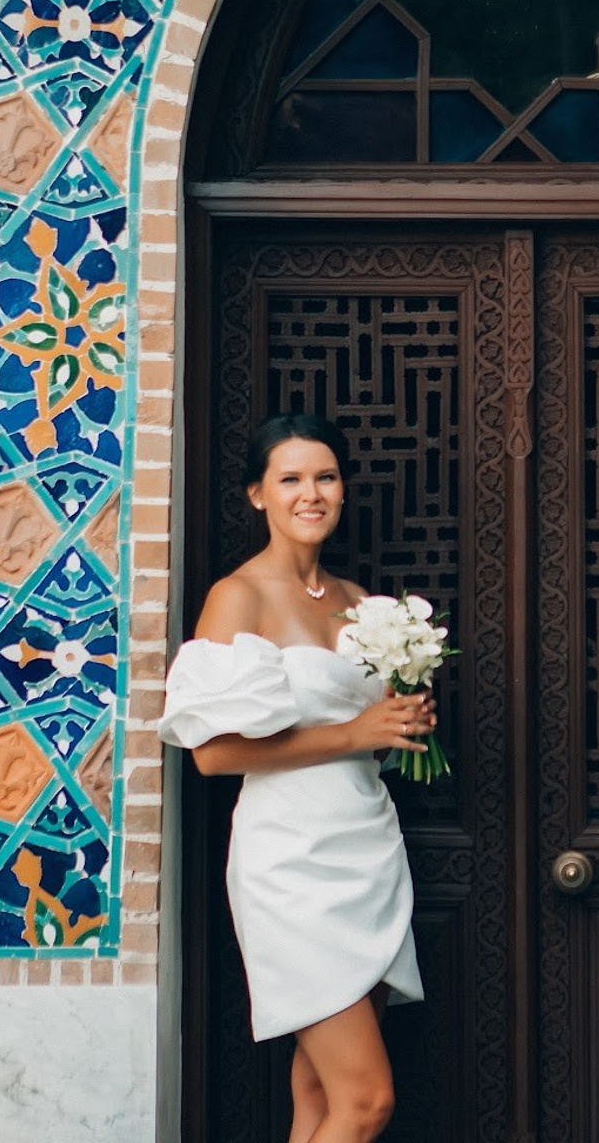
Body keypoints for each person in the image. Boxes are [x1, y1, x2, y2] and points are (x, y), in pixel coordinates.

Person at [159, 413, 435, 1143]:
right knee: (367, 1100)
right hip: (291, 863)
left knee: (317, 1094)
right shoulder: (237, 596)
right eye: (290, 480)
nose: (311, 494)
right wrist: (356, 732)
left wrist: (401, 723)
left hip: (365, 847)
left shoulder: (358, 600)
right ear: (258, 495)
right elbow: (213, 755)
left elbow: (368, 733)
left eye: (325, 477)